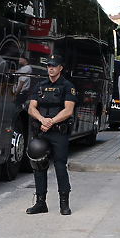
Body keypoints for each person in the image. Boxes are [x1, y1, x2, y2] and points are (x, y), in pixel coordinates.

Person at [26, 54, 76, 215]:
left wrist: (51, 121)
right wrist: (42, 120)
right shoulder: (40, 85)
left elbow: (68, 110)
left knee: (60, 166)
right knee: (38, 165)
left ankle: (64, 204)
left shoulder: (68, 86)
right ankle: (41, 203)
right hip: (42, 131)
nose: (50, 68)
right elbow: (31, 107)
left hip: (58, 132)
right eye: (48, 66)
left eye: (54, 66)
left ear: (61, 68)